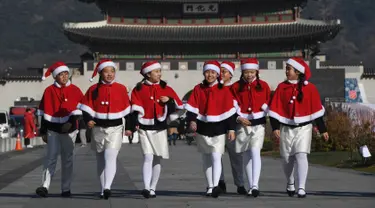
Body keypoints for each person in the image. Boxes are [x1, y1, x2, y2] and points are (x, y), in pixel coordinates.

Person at [269, 57, 329, 198]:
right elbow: (274, 109)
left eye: (289, 69)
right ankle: (290, 182)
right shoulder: (281, 87)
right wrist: (275, 127)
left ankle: (301, 187)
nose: (286, 71)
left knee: (301, 155)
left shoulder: (310, 88)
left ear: (298, 71)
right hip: (286, 128)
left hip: (304, 128)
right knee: (286, 158)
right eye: (287, 68)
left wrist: (323, 129)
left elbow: (316, 112)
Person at [78, 59, 132, 199]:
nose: (109, 74)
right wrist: (88, 119)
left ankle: (108, 186)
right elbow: (85, 108)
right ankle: (103, 189)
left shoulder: (120, 89)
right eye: (106, 71)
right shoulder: (93, 90)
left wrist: (130, 128)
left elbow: (128, 111)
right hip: (98, 128)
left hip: (115, 128)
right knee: (100, 159)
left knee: (110, 155)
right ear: (100, 73)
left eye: (112, 71)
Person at [129, 61, 183, 198]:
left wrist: (169, 101)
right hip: (144, 127)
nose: (159, 74)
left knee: (158, 158)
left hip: (160, 128)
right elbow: (134, 107)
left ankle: (153, 187)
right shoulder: (138, 89)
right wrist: (132, 125)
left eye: (159, 71)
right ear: (148, 73)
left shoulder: (166, 88)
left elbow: (177, 106)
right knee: (147, 156)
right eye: (156, 71)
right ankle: (146, 187)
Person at [185, 60, 237, 198]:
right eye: (207, 72)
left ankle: (215, 185)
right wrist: (192, 121)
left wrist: (231, 129)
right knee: (206, 157)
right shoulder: (198, 88)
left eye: (213, 72)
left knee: (216, 155)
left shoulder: (224, 90)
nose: (210, 75)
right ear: (204, 73)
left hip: (219, 127)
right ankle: (210, 185)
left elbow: (230, 112)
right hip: (203, 126)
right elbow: (191, 107)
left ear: (217, 74)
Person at [35, 62, 83, 198]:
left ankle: (66, 188)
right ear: (55, 77)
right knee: (51, 157)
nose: (64, 77)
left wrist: (76, 121)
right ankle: (45, 186)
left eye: (66, 74)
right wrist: (43, 131)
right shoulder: (49, 91)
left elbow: (81, 109)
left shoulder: (75, 90)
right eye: (61, 75)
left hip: (70, 129)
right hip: (52, 129)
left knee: (68, 159)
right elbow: (44, 112)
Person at [231, 58, 271, 197]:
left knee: (255, 151)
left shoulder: (264, 85)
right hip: (242, 124)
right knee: (246, 153)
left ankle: (255, 185)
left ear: (257, 72)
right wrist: (238, 117)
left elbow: (268, 103)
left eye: (252, 72)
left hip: (258, 124)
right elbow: (232, 106)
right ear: (242, 72)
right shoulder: (235, 87)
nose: (249, 75)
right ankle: (250, 184)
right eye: (246, 72)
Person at [218, 61, 247, 195]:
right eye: (220, 71)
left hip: (234, 127)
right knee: (216, 156)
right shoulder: (214, 88)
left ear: (230, 74)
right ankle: (220, 182)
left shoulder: (235, 88)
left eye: (224, 71)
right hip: (217, 127)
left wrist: (238, 118)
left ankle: (240, 184)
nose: (221, 74)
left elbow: (239, 107)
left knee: (236, 157)